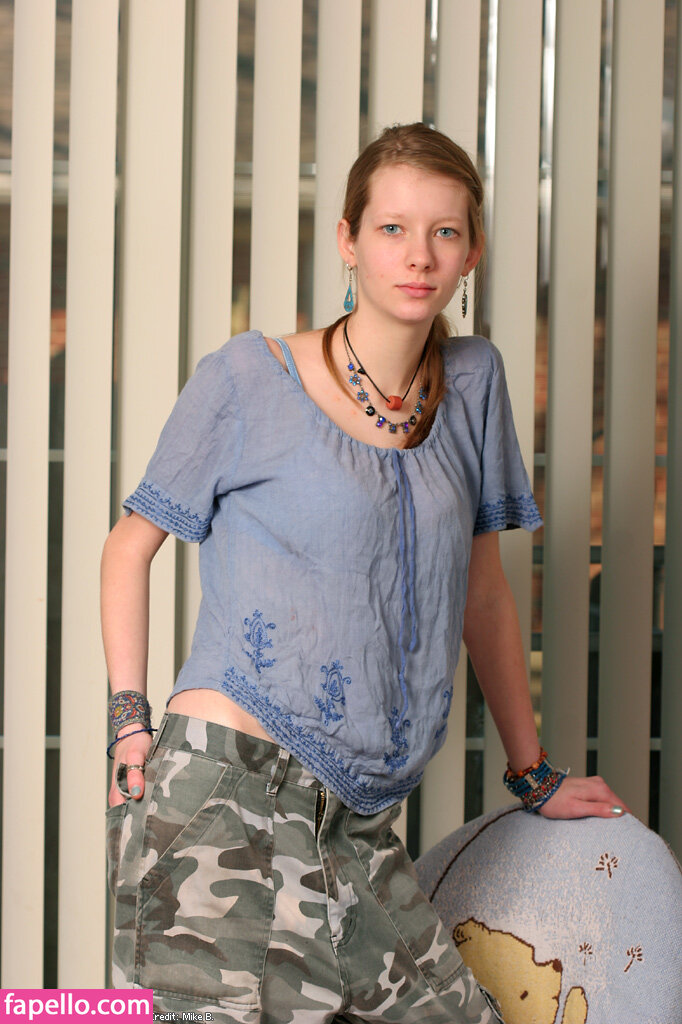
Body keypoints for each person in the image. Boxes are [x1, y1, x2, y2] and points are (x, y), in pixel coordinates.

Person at [101, 122, 626, 1024]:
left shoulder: (472, 383)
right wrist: (128, 723)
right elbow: (128, 545)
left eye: (445, 231)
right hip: (230, 797)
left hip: (358, 820)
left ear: (471, 252)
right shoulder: (247, 378)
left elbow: (482, 592)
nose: (419, 255)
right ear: (348, 240)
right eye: (392, 229)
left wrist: (533, 772)